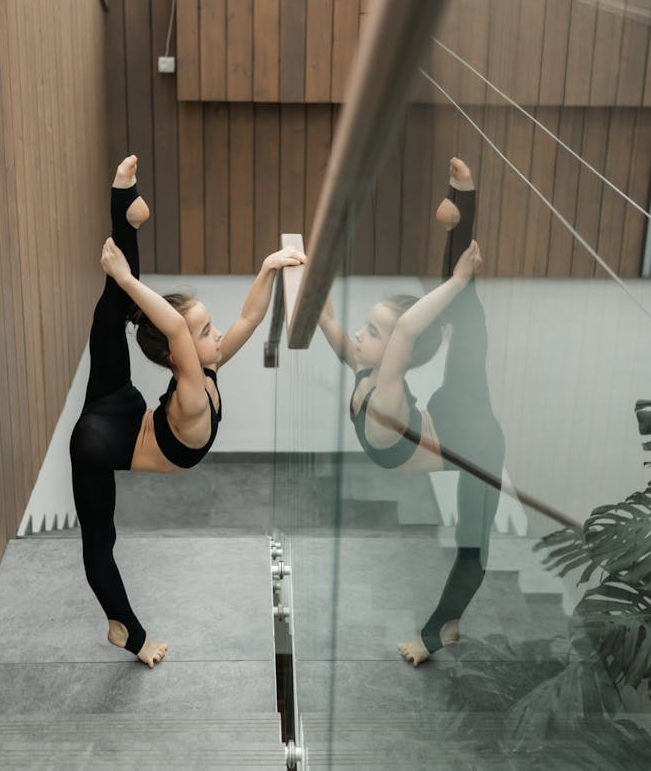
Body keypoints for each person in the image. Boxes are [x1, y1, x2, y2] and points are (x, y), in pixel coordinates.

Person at [70, 155, 305, 669]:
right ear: (181, 355)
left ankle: (124, 214)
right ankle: (127, 631)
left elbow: (248, 316)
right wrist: (125, 279)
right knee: (99, 541)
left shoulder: (202, 375)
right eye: (204, 333)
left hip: (120, 418)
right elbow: (174, 330)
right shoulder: (193, 391)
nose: (215, 335)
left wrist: (268, 267)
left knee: (110, 315)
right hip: (106, 437)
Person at [319, 157, 505, 666]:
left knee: (474, 550)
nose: (361, 336)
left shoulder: (387, 396)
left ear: (394, 352)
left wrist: (457, 280)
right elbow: (329, 320)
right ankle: (460, 214)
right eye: (368, 328)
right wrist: (304, 265)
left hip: (478, 446)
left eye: (373, 333)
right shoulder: (367, 370)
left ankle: (434, 634)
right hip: (452, 417)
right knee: (465, 314)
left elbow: (406, 332)